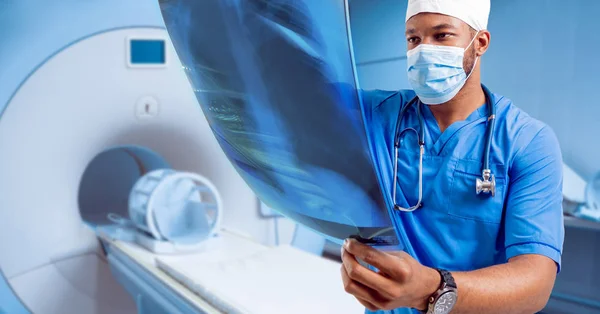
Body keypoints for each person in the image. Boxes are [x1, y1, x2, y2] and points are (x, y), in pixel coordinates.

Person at [340, 0, 564, 313]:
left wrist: (430, 290)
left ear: (480, 43)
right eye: (413, 39)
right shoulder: (375, 116)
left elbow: (535, 283)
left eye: (442, 36)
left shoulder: (528, 141)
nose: (423, 51)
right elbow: (292, 91)